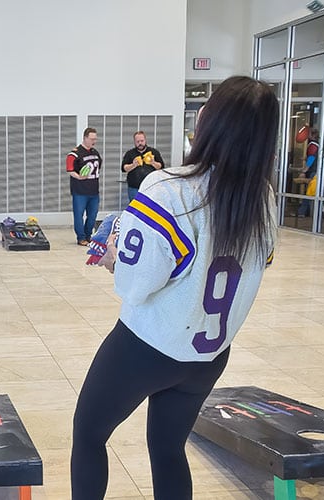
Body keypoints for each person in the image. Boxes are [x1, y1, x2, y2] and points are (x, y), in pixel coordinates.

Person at [71, 75, 279, 500]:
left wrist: (113, 258)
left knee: (88, 436)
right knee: (168, 450)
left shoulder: (170, 188)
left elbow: (134, 284)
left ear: (210, 121)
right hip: (209, 355)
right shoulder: (265, 198)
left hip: (147, 347)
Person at [66, 128, 102, 246]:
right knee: (79, 215)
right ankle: (81, 237)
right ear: (85, 138)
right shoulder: (75, 153)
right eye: (92, 139)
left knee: (92, 216)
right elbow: (69, 169)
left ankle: (88, 236)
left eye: (95, 139)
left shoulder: (95, 152)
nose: (94, 141)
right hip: (80, 191)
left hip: (94, 191)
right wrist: (78, 177)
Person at [121, 130, 165, 203]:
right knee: (135, 209)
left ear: (145, 140)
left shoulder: (154, 152)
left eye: (142, 141)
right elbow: (123, 168)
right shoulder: (130, 153)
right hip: (134, 188)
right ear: (134, 142)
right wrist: (133, 165)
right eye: (137, 141)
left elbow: (161, 166)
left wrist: (153, 163)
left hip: (151, 187)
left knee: (150, 208)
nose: (140, 143)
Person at [297, 128, 320, 217]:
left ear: (312, 135)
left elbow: (311, 158)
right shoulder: (319, 144)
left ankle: (302, 212)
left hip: (313, 171)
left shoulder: (312, 145)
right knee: (311, 192)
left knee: (309, 192)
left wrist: (304, 170)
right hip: (317, 170)